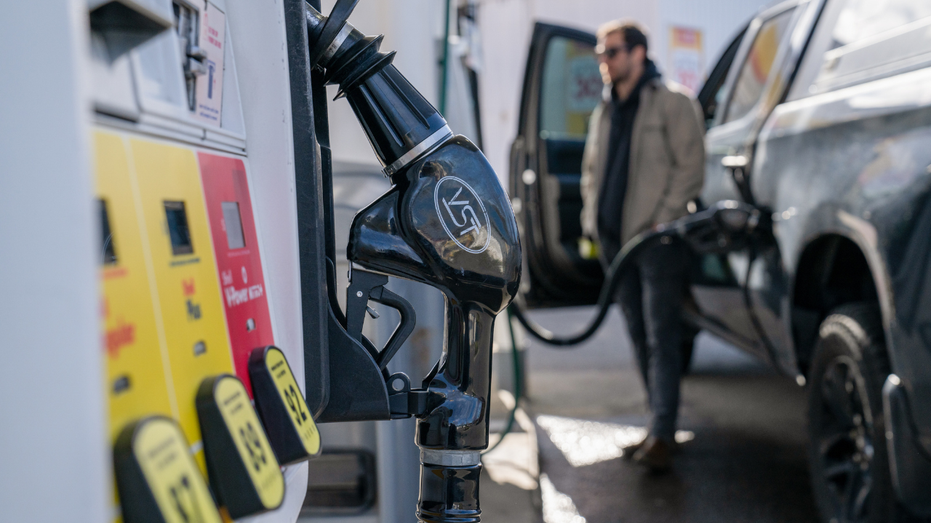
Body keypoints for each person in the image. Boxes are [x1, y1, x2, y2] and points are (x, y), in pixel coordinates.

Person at [579, 20, 705, 472]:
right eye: (601, 54)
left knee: (661, 337)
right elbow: (592, 169)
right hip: (615, 242)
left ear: (637, 53)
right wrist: (591, 221)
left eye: (611, 52)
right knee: (637, 335)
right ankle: (657, 428)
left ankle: (664, 433)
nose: (604, 62)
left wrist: (663, 219)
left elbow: (691, 167)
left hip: (655, 242)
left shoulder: (673, 102)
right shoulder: (606, 109)